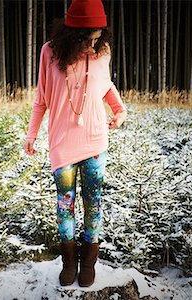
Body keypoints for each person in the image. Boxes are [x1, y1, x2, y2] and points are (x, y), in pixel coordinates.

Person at [23, 0, 127, 287]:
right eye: (86, 39)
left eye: (97, 37)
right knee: (64, 204)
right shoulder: (49, 52)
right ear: (71, 34)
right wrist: (31, 135)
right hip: (62, 144)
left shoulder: (102, 51)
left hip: (95, 140)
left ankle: (89, 263)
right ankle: (69, 262)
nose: (92, 45)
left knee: (93, 204)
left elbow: (105, 85)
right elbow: (41, 99)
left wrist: (120, 111)